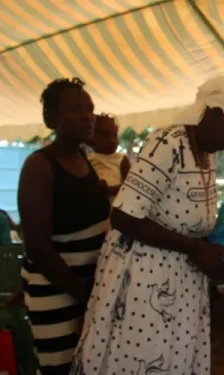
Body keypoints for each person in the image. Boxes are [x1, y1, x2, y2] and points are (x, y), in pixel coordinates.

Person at [71, 76, 224, 375]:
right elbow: (123, 215)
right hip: (145, 281)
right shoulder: (168, 142)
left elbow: (188, 218)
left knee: (174, 361)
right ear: (214, 113)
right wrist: (194, 247)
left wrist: (209, 246)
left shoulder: (205, 153)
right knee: (144, 359)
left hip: (183, 281)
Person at [17, 78, 110, 374]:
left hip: (89, 291)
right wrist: (86, 297)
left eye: (90, 109)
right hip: (57, 292)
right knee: (61, 368)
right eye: (76, 109)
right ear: (51, 118)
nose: (87, 116)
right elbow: (38, 248)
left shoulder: (86, 159)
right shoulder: (39, 166)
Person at [87, 114, 131, 203]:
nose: (112, 140)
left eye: (114, 135)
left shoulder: (121, 159)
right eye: (105, 135)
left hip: (116, 207)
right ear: (92, 137)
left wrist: (109, 190)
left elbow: (129, 186)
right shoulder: (87, 159)